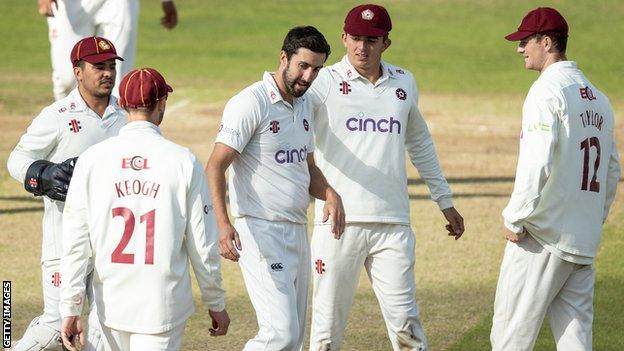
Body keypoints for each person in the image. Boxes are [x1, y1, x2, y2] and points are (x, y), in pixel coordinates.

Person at [306, 4, 465, 350]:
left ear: (386, 43)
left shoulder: (404, 83)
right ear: (344, 38)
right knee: (325, 329)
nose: (363, 48)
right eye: (356, 39)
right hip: (337, 224)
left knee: (406, 325)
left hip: (393, 224)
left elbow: (419, 141)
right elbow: (296, 139)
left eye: (372, 40)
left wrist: (444, 200)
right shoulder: (324, 83)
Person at [58, 67, 229, 351]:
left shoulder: (92, 160)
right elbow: (203, 244)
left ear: (122, 105)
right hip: (162, 306)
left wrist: (70, 306)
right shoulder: (183, 161)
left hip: (110, 306)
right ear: (162, 104)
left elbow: (76, 242)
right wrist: (215, 302)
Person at [205, 26, 344, 351]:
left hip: (297, 229)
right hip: (260, 229)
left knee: (293, 339)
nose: (309, 77)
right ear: (284, 58)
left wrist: (330, 193)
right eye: (303, 66)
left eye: (317, 69)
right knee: (279, 333)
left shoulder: (305, 105)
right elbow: (215, 165)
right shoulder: (250, 102)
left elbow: (307, 168)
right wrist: (223, 225)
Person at [491, 7, 620, 350]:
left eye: (525, 41)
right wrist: (594, 219)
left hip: (541, 237)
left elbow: (537, 162)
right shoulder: (600, 98)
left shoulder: (546, 91)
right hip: (582, 239)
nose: (520, 49)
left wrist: (515, 216)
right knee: (576, 341)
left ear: (547, 42)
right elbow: (611, 170)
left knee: (509, 337)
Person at [7, 36, 126, 350]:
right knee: (54, 326)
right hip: (64, 239)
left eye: (111, 66)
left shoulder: (126, 116)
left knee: (107, 326)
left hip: (113, 241)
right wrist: (45, 175)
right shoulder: (57, 115)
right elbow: (17, 159)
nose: (108, 73)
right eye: (98, 66)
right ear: (77, 71)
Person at [37, 0, 178, 100]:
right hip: (71, 4)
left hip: (119, 3)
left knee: (117, 78)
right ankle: (68, 131)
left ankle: (114, 136)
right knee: (66, 80)